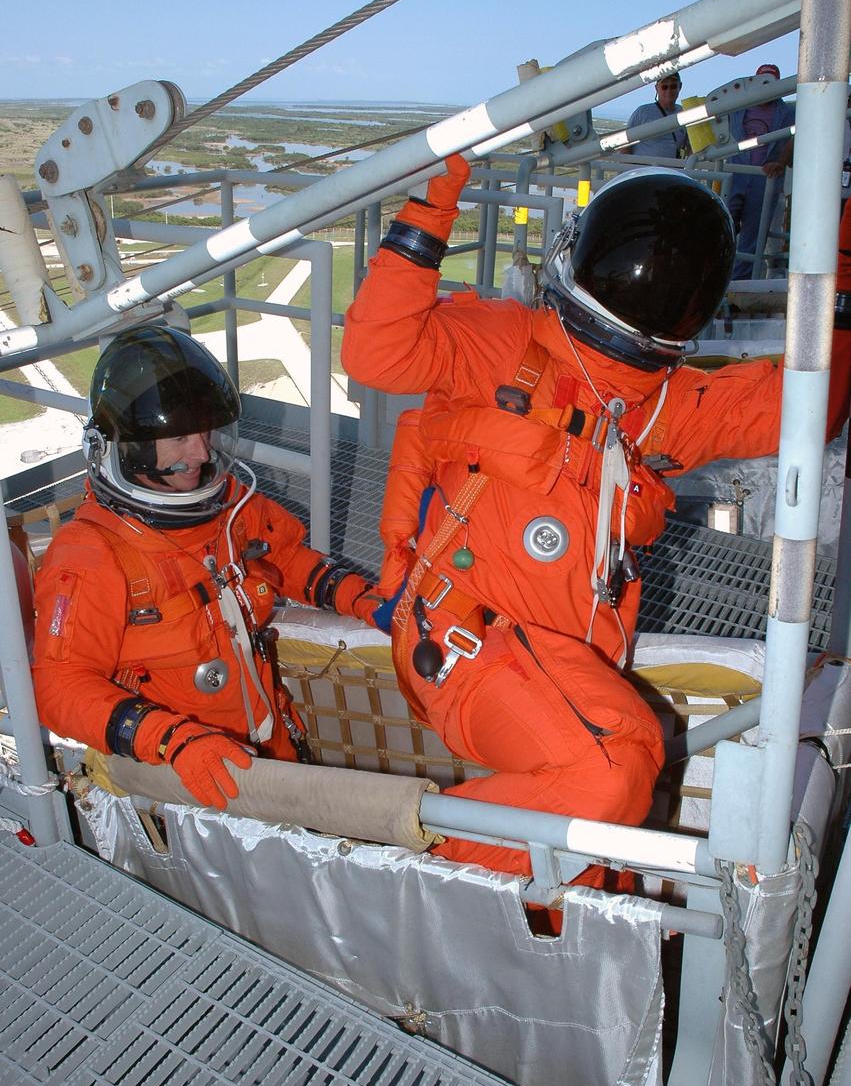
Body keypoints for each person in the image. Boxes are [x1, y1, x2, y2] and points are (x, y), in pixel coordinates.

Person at [343, 155, 851, 887]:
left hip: (558, 668)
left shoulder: (664, 404)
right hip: (462, 651)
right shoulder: (510, 348)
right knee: (612, 766)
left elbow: (813, 404)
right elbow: (376, 351)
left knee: (594, 842)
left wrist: (840, 268)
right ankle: (395, 883)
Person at [32, 327, 379, 809]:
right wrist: (171, 740)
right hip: (190, 778)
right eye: (178, 437)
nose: (199, 453)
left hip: (270, 746)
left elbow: (287, 558)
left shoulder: (229, 505)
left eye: (203, 433)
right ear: (126, 446)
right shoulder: (91, 556)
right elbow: (59, 688)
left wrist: (361, 599)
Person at [727, 63, 795, 279]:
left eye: (770, 83)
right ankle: (718, 276)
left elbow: (793, 138)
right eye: (761, 82)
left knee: (754, 237)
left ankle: (738, 286)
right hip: (735, 173)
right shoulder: (738, 107)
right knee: (724, 224)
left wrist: (781, 163)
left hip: (766, 178)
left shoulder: (788, 112)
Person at [625, 73, 687, 159]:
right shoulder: (642, 112)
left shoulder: (685, 113)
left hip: (671, 171)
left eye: (673, 86)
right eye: (664, 87)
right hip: (644, 170)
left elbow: (689, 146)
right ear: (657, 88)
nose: (668, 91)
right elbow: (625, 146)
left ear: (680, 87)